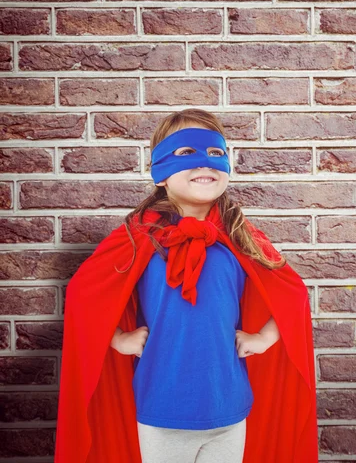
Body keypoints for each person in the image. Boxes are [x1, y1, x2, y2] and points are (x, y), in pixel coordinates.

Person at [54, 108, 318, 463]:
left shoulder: (240, 239)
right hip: (161, 409)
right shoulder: (138, 239)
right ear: (160, 173)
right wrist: (118, 338)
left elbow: (292, 295)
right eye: (185, 153)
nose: (204, 163)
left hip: (229, 407)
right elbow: (84, 295)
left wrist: (264, 338)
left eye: (215, 153)